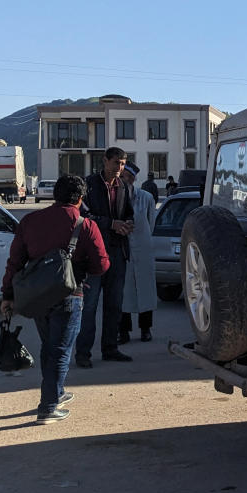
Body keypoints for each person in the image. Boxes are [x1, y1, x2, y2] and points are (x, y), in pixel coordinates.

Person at [0, 175, 109, 423]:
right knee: (60, 350)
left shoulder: (30, 221)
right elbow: (102, 265)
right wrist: (81, 268)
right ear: (80, 199)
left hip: (38, 297)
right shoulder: (85, 225)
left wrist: (7, 295)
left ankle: (56, 393)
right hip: (70, 294)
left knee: (49, 346)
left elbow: (14, 262)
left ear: (55, 195)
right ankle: (48, 407)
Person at [76, 147, 134, 366]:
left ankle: (110, 348)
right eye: (116, 162)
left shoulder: (124, 187)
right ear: (105, 161)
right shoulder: (88, 185)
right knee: (89, 306)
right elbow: (83, 216)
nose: (119, 167)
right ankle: (83, 353)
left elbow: (129, 213)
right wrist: (111, 224)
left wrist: (128, 224)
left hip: (118, 252)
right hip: (93, 254)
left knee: (114, 304)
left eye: (123, 164)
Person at [119, 162, 157, 343]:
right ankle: (123, 331)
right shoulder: (114, 198)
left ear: (133, 179)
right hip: (123, 250)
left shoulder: (146, 198)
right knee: (123, 292)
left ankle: (145, 329)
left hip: (143, 249)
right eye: (121, 176)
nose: (124, 180)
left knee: (146, 290)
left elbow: (151, 223)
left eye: (127, 176)